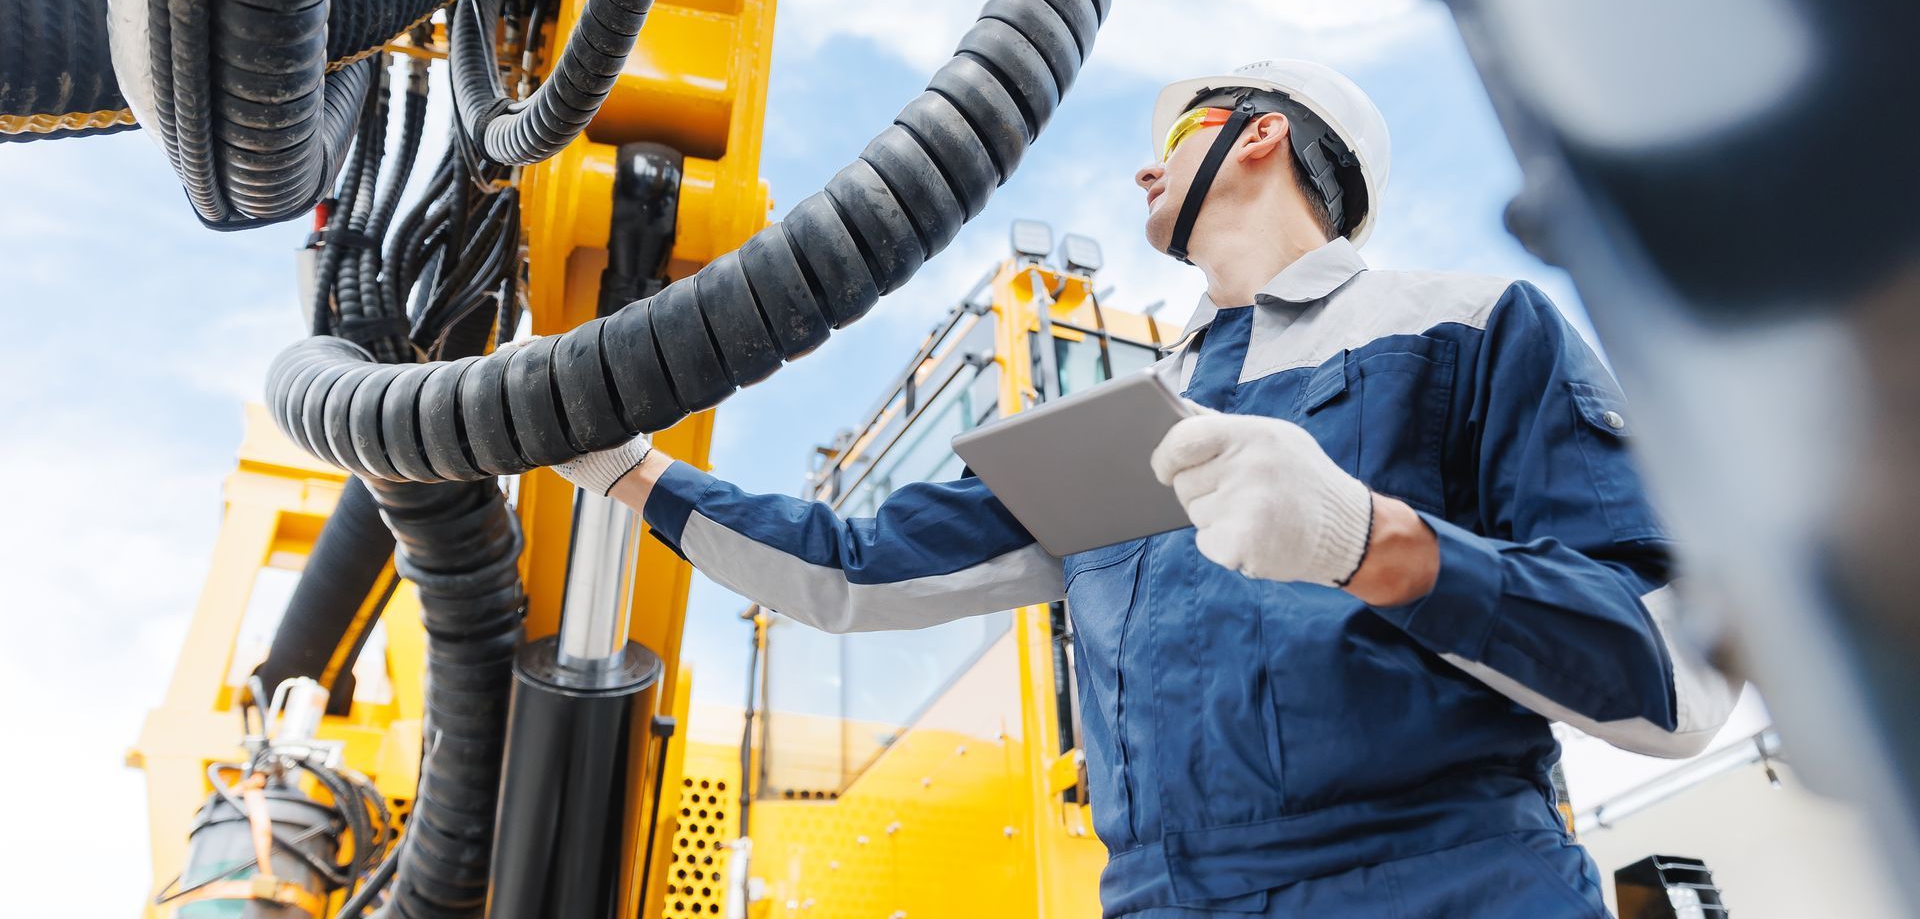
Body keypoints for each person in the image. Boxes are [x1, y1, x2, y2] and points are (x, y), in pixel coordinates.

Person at [556, 60, 1739, 917]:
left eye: (1175, 134)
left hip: (1441, 886)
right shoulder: (1124, 427)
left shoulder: (1467, 330)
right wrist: (627, 471)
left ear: (1262, 134)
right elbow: (850, 572)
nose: (1142, 164)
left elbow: (1673, 678)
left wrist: (1373, 540)